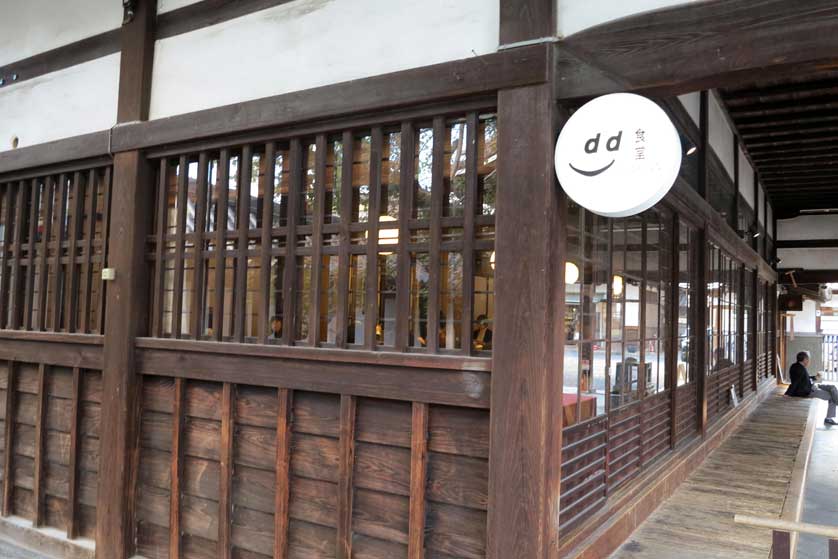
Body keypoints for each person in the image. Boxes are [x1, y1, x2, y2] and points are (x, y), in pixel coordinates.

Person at [786, 351, 838, 425]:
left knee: (832, 388)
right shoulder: (800, 369)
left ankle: (836, 402)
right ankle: (828, 418)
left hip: (812, 386)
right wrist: (788, 393)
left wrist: (815, 377)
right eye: (808, 359)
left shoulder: (795, 366)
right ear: (804, 360)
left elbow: (804, 379)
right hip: (809, 391)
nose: (809, 361)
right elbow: (795, 382)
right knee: (832, 396)